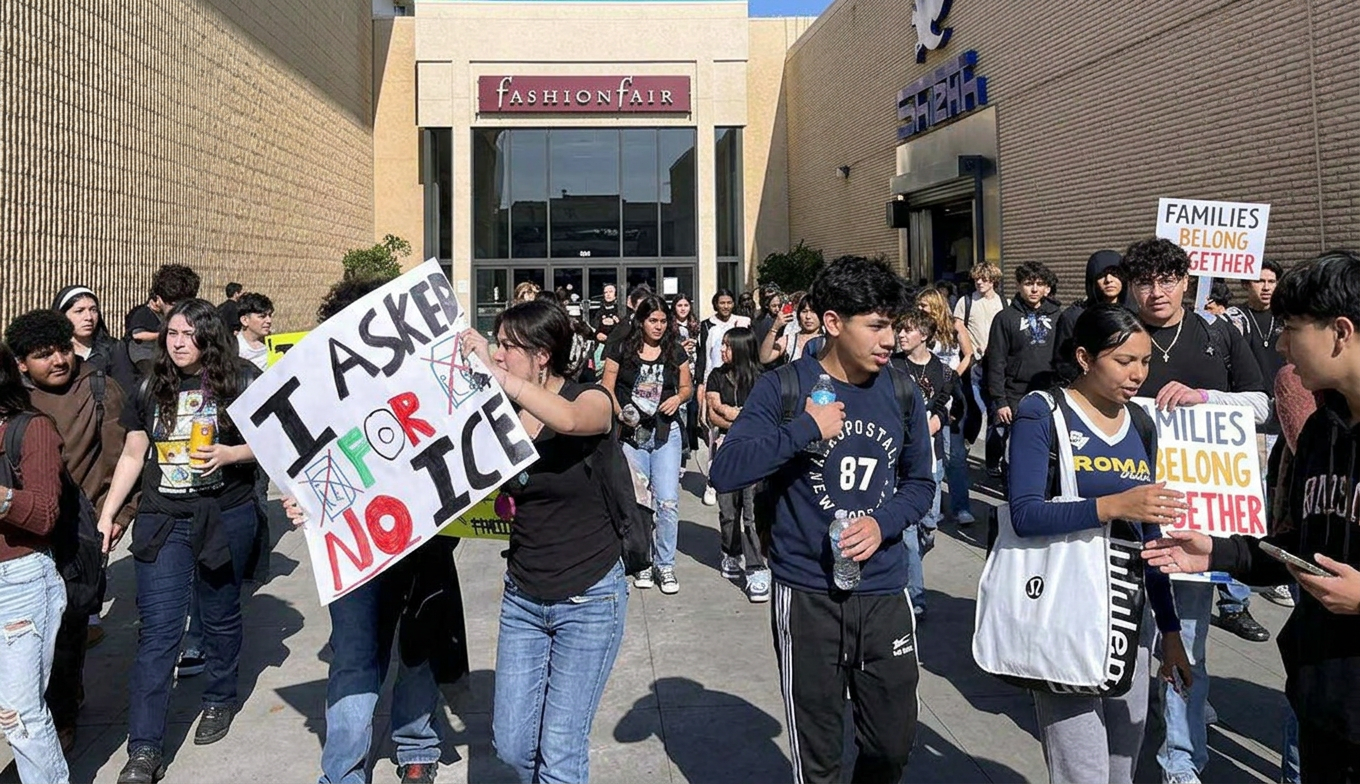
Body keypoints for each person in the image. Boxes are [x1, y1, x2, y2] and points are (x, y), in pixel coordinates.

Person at [710, 255, 935, 784]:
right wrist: (804, 428)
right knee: (820, 759)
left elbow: (921, 483)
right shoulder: (784, 387)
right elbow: (726, 470)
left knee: (892, 745)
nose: (889, 340)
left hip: (883, 588)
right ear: (833, 323)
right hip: (807, 593)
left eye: (894, 327)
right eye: (875, 326)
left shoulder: (902, 390)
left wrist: (883, 524)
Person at [1142, 250, 1360, 782]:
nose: (1281, 346)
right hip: (1320, 698)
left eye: (1290, 329)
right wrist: (1216, 551)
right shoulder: (1320, 432)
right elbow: (1296, 548)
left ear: (1341, 332)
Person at [284, 277, 466, 784]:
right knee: (354, 658)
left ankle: (417, 748)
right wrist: (302, 498)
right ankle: (342, 771)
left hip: (422, 542)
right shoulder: (319, 394)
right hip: (355, 550)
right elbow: (300, 460)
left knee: (418, 647)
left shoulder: (425, 382)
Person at [1007, 303, 1193, 783]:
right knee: (1082, 772)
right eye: (1123, 361)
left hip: (1130, 616)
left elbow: (1150, 531)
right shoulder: (1042, 412)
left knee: (1121, 768)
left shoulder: (1142, 424)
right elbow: (1025, 514)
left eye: (1145, 361)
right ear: (1085, 358)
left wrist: (1169, 632)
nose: (1137, 374)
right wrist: (1113, 505)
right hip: (1064, 611)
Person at [1117, 237, 1270, 784]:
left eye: (1166, 280)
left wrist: (1205, 399)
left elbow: (1260, 403)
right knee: (1128, 641)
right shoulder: (1114, 330)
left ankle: (1181, 759)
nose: (1155, 293)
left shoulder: (1218, 331)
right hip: (1123, 509)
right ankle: (1126, 737)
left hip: (1192, 514)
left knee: (1188, 639)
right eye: (1144, 282)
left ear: (1186, 281)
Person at [456, 300, 626, 783]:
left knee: (561, 752)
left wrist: (502, 379)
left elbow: (573, 421)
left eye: (508, 346)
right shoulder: (498, 413)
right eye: (497, 344)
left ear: (542, 355)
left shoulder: (589, 397)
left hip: (590, 597)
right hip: (524, 597)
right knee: (510, 745)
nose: (498, 353)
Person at [98, 299, 261, 783]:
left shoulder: (244, 381)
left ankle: (218, 698)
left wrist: (232, 453)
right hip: (163, 521)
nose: (177, 342)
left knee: (219, 614)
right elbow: (132, 452)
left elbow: (278, 440)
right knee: (158, 633)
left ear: (211, 336)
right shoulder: (151, 384)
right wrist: (109, 515)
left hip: (225, 516)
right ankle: (144, 748)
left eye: (189, 334)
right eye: (172, 333)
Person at [5, 310, 136, 753]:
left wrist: (116, 517)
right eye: (43, 355)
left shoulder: (101, 389)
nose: (58, 360)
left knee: (68, 628)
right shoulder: (14, 401)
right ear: (21, 364)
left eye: (62, 349)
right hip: (23, 536)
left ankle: (62, 717)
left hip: (80, 534)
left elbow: (126, 460)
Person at [0, 342, 71, 784]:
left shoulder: (32, 429)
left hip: (20, 581)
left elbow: (45, 513)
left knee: (19, 714)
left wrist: (3, 498)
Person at [601, 295, 693, 593]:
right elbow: (607, 387)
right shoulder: (621, 349)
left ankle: (665, 565)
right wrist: (620, 412)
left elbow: (687, 387)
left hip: (666, 433)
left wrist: (678, 399)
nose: (658, 326)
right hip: (632, 435)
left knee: (667, 501)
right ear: (640, 321)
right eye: (653, 320)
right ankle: (640, 561)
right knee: (638, 503)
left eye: (663, 321)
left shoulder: (674, 351)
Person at [891, 310, 959, 618]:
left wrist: (937, 420)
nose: (901, 336)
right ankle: (915, 597)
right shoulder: (891, 366)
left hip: (931, 457)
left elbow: (953, 405)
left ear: (924, 335)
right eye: (899, 331)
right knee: (907, 532)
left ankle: (915, 553)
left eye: (907, 331)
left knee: (927, 527)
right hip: (898, 459)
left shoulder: (943, 372)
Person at [705, 326, 771, 602]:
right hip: (726, 452)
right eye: (722, 345)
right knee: (728, 510)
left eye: (728, 346)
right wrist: (738, 415)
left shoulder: (763, 379)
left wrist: (731, 414)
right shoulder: (716, 376)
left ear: (742, 349)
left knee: (752, 514)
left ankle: (757, 568)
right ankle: (731, 553)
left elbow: (764, 420)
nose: (722, 351)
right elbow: (713, 415)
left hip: (754, 455)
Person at [984, 261, 1062, 478]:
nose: (1034, 289)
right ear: (1018, 286)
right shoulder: (1005, 318)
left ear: (1046, 287)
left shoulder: (1057, 315)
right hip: (1015, 392)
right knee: (1016, 447)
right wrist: (1000, 401)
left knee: (1048, 447)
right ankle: (1012, 489)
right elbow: (996, 361)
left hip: (1050, 391)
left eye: (1039, 284)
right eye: (1029, 283)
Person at [918, 287, 973, 526]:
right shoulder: (920, 329)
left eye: (924, 305)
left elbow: (969, 354)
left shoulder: (955, 327)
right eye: (919, 306)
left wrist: (953, 377)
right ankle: (933, 508)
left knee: (955, 455)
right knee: (933, 455)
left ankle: (961, 507)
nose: (920, 309)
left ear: (936, 305)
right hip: (929, 395)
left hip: (953, 394)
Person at [695, 288, 751, 506]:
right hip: (714, 379)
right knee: (712, 432)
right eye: (722, 303)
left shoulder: (743, 321)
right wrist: (701, 383)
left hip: (738, 378)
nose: (726, 306)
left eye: (729, 302)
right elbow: (703, 355)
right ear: (715, 304)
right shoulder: (707, 324)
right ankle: (712, 480)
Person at [954, 261, 1005, 482]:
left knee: (995, 412)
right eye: (976, 279)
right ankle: (965, 443)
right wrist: (970, 349)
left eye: (984, 279)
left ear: (993, 280)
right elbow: (958, 327)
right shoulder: (965, 302)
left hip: (995, 365)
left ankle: (993, 460)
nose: (980, 282)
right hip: (974, 365)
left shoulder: (1005, 303)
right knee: (974, 408)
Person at [52, 285, 137, 395]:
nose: (89, 317)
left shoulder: (113, 348)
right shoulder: (53, 352)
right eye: (79, 311)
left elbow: (126, 392)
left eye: (93, 310)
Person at [124, 264, 201, 377]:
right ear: (158, 300)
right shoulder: (142, 313)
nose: (180, 311)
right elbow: (137, 334)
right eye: (174, 305)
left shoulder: (204, 322)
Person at [1052, 250, 1125, 355]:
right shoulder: (1074, 317)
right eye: (1102, 275)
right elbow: (1063, 362)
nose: (1109, 280)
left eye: (1115, 274)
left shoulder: (1135, 313)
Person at [671, 294, 702, 464]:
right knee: (681, 413)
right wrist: (680, 348)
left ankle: (688, 448)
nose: (683, 308)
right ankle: (681, 453)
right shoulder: (670, 326)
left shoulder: (695, 325)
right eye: (679, 305)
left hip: (693, 369)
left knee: (692, 413)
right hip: (678, 373)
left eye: (686, 305)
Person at [759, 291, 821, 366]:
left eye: (813, 312)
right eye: (804, 311)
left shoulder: (830, 339)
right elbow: (764, 358)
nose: (808, 316)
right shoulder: (789, 340)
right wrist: (775, 328)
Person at [234, 292, 273, 371]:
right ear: (245, 320)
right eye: (262, 316)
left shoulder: (274, 345)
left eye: (270, 315)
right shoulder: (233, 349)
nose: (269, 320)